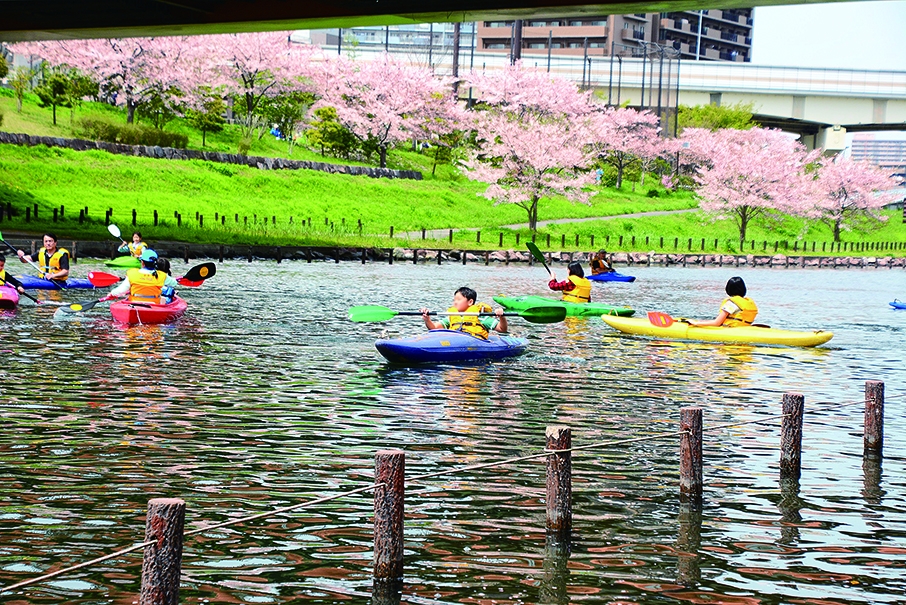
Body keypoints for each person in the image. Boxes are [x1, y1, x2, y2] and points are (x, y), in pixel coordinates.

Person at [420, 287, 508, 339]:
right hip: (455, 341)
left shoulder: (481, 317)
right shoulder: (453, 316)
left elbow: (502, 329)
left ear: (470, 302)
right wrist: (427, 319)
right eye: (454, 300)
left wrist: (501, 316)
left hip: (475, 342)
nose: (455, 302)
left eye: (458, 300)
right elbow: (433, 328)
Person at [103, 249, 179, 304]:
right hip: (154, 304)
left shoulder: (132, 273)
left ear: (142, 262)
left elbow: (120, 290)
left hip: (135, 303)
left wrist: (111, 293)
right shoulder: (162, 275)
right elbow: (174, 283)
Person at [689, 276, 758, 327]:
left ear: (728, 289)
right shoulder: (748, 302)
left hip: (731, 330)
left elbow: (717, 323)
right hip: (744, 329)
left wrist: (696, 323)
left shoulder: (731, 304)